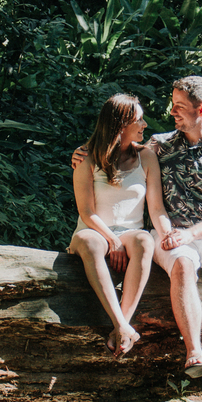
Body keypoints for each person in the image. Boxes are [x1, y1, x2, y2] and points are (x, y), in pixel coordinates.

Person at [75, 77, 202, 379]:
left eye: (180, 107)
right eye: (173, 105)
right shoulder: (160, 144)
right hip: (168, 234)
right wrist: (81, 153)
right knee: (183, 263)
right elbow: (114, 149)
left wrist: (193, 233)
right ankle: (194, 353)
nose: (173, 112)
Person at [69, 94, 166, 356]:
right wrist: (111, 238)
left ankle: (121, 326)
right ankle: (122, 325)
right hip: (93, 230)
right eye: (139, 120)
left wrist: (167, 232)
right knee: (90, 242)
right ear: (120, 125)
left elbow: (155, 207)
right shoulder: (87, 157)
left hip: (130, 232)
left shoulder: (146, 157)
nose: (145, 125)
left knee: (145, 240)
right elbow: (87, 211)